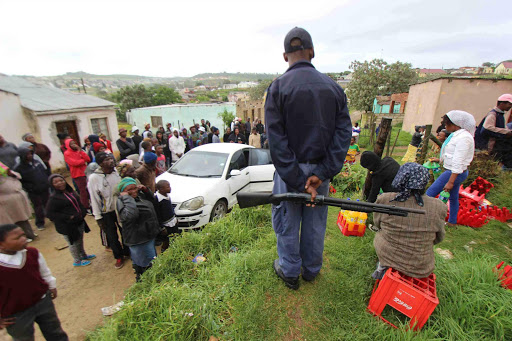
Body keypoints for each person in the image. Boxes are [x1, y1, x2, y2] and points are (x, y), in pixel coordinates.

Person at [265, 27, 351, 289]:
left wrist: (294, 177)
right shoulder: (333, 88)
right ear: (311, 52)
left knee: (287, 220)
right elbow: (343, 133)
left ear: (284, 56)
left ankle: (290, 271)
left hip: (289, 172)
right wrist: (322, 172)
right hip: (319, 173)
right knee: (315, 223)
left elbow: (276, 139)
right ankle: (311, 269)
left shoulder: (278, 88)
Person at [372, 163, 447, 279]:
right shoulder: (439, 206)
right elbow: (439, 237)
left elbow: (377, 223)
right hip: (422, 266)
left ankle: (383, 267)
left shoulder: (386, 199)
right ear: (424, 181)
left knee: (380, 233)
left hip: (388, 256)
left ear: (401, 178)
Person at [0, 224, 68, 341]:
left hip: (42, 302)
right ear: (1, 244)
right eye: (17, 238)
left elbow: (44, 271)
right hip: (16, 314)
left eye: (23, 235)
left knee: (55, 333)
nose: (23, 239)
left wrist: (51, 285)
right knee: (23, 338)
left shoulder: (32, 253)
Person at [427, 110, 475, 226]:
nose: (445, 126)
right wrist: (440, 160)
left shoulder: (464, 138)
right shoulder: (456, 135)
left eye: (446, 124)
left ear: (455, 124)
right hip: (455, 171)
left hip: (454, 172)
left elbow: (459, 161)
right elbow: (453, 155)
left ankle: (422, 218)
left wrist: (450, 182)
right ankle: (452, 222)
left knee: (429, 194)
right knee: (453, 198)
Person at [87, 152, 128, 269]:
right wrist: (98, 217)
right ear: (100, 164)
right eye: (107, 159)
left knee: (124, 230)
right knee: (111, 235)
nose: (111, 161)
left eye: (111, 158)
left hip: (119, 208)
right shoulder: (94, 178)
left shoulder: (116, 173)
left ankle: (127, 251)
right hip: (106, 212)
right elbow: (94, 198)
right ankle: (118, 256)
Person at [116, 178, 161, 281]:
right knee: (142, 262)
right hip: (137, 239)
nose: (133, 191)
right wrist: (127, 198)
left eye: (134, 188)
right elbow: (131, 215)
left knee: (151, 259)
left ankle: (152, 278)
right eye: (129, 190)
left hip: (147, 235)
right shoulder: (122, 202)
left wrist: (145, 190)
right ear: (123, 192)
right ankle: (143, 280)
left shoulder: (139, 196)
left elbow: (153, 201)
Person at [46, 174, 95, 267]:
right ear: (52, 185)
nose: (60, 183)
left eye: (61, 180)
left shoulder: (70, 191)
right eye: (56, 182)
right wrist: (68, 217)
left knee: (79, 240)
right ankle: (77, 260)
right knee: (73, 242)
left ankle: (83, 255)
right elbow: (50, 214)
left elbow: (78, 202)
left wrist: (82, 211)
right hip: (67, 226)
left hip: (78, 222)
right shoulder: (54, 198)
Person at [13, 147, 51, 231]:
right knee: (38, 206)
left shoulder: (36, 162)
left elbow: (44, 172)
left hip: (44, 186)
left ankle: (51, 217)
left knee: (48, 203)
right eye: (27, 154)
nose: (30, 156)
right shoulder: (19, 168)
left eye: (30, 153)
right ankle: (40, 223)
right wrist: (30, 188)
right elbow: (20, 181)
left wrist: (47, 182)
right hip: (34, 191)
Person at [0, 161, 37, 240]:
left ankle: (29, 234)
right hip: (5, 202)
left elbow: (18, 176)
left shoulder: (8, 173)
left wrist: (10, 173)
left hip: (17, 199)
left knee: (23, 218)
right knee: (12, 221)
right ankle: (20, 237)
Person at [475, 94, 512, 168]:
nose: (510, 106)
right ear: (501, 103)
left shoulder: (500, 115)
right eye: (509, 104)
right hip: (484, 148)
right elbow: (487, 128)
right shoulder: (493, 114)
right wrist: (506, 132)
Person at [63, 139, 91, 210]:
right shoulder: (67, 153)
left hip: (85, 172)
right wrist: (82, 160)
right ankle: (85, 206)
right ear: (68, 146)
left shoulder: (79, 151)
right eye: (71, 144)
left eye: (74, 143)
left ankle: (91, 203)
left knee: (89, 188)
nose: (74, 145)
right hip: (77, 174)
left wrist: (80, 151)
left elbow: (88, 159)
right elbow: (74, 163)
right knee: (83, 191)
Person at [154, 180, 179, 253]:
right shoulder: (157, 200)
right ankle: (164, 253)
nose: (170, 188)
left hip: (173, 221)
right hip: (166, 225)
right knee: (166, 241)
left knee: (175, 237)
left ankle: (175, 251)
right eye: (168, 187)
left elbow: (171, 209)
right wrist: (162, 228)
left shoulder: (167, 195)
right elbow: (157, 215)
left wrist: (175, 218)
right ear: (161, 189)